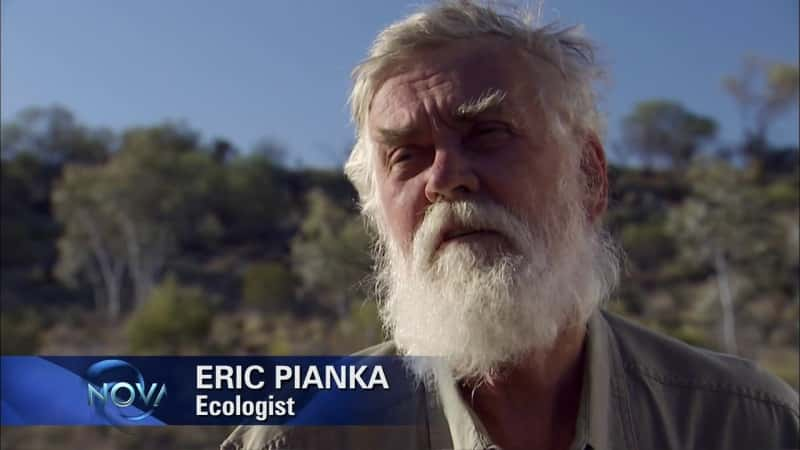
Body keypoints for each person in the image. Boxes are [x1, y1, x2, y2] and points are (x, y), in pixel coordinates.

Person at [221, 1, 799, 449]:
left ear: (589, 177)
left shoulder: (747, 425)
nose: (445, 178)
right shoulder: (297, 436)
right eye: (406, 156)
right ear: (375, 211)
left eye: (487, 133)